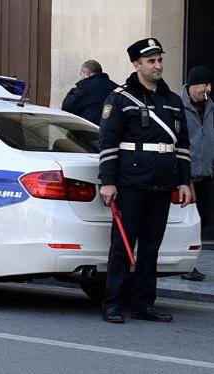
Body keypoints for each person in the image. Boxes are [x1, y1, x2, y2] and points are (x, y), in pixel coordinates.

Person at [99, 38, 192, 323]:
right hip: (130, 183)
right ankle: (113, 303)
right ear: (137, 65)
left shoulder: (173, 101)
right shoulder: (120, 98)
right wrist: (108, 181)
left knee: (151, 249)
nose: (158, 66)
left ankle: (143, 303)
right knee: (121, 247)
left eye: (160, 60)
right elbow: (108, 142)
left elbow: (183, 146)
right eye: (151, 61)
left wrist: (185, 181)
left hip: (162, 184)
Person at [180, 66, 213, 281]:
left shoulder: (211, 107)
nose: (207, 89)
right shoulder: (176, 106)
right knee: (187, 222)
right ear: (192, 86)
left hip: (206, 174)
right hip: (186, 177)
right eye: (204, 85)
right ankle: (187, 265)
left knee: (202, 221)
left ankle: (189, 263)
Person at [61, 60, 118, 125]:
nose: (80, 77)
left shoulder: (85, 88)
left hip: (90, 130)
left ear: (87, 73)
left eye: (81, 74)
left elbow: (67, 108)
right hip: (111, 129)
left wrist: (72, 91)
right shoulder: (115, 86)